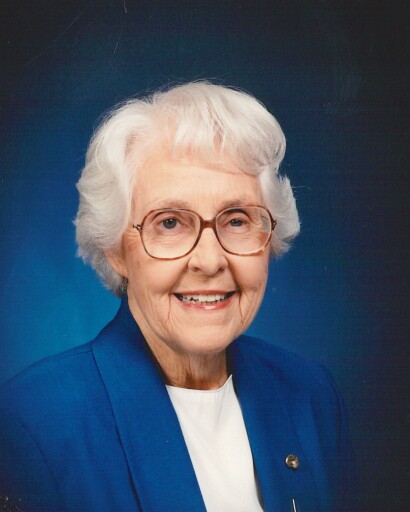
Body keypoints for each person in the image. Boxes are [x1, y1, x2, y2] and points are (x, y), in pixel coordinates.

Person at [0, 82, 354, 512]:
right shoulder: (33, 422)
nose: (210, 260)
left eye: (237, 220)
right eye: (169, 222)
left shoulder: (309, 392)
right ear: (115, 249)